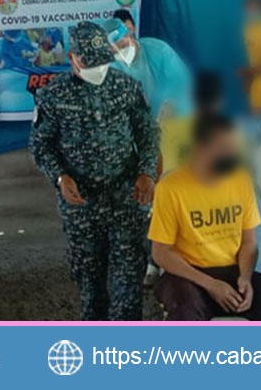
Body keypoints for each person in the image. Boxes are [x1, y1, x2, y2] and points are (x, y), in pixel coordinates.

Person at [29, 21, 159, 321]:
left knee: (129, 280)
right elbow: (40, 146)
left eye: (102, 60)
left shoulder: (127, 88)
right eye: (90, 61)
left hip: (126, 198)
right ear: (73, 58)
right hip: (82, 206)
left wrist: (146, 172)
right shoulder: (52, 96)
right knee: (90, 283)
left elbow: (148, 134)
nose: (97, 67)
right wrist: (60, 177)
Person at [150, 113, 261, 321]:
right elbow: (160, 253)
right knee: (186, 315)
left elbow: (249, 242)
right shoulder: (171, 188)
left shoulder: (240, 180)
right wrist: (210, 284)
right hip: (187, 274)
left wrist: (245, 278)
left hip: (233, 272)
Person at [103, 12, 193, 170]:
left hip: (176, 121)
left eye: (122, 45)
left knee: (180, 173)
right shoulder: (113, 67)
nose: (120, 52)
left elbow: (182, 84)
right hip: (142, 132)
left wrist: (170, 107)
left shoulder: (158, 51)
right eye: (115, 51)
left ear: (130, 35)